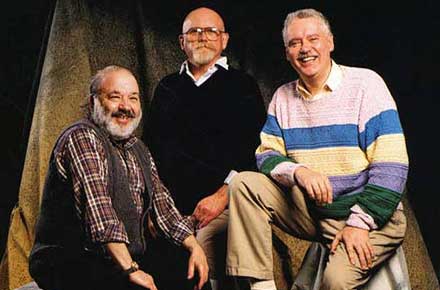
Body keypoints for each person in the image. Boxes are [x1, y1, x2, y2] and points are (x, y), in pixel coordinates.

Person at [226, 8, 408, 290]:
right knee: (243, 184)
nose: (304, 48)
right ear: (287, 53)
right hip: (316, 213)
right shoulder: (282, 98)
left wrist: (360, 223)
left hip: (372, 216)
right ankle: (261, 286)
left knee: (334, 282)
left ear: (330, 42)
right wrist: (299, 172)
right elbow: (266, 155)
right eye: (294, 43)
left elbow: (392, 168)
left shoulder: (366, 85)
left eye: (313, 38)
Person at [28, 66, 208, 290]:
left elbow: (164, 211)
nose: (126, 107)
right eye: (115, 97)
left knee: (190, 272)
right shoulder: (82, 137)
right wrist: (131, 270)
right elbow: (101, 214)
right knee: (129, 284)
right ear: (94, 102)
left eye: (133, 98)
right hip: (68, 259)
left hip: (118, 258)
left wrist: (194, 247)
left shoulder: (138, 148)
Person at [144, 7, 266, 290]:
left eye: (211, 31)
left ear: (224, 40)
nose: (202, 38)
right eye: (194, 32)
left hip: (224, 203)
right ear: (181, 42)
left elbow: (257, 151)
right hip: (170, 207)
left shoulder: (242, 86)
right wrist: (155, 205)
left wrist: (223, 196)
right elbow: (150, 152)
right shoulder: (167, 88)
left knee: (212, 270)